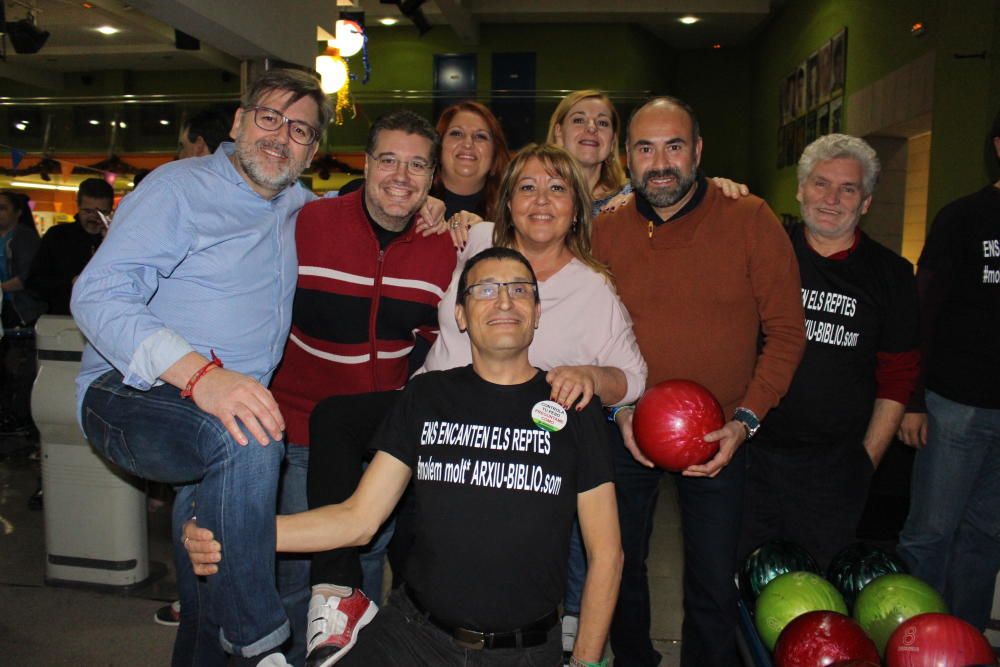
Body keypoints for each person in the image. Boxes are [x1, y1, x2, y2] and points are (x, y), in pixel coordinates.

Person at [185, 246, 624, 667]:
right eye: (485, 290)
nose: (504, 300)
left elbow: (606, 553)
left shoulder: (573, 407)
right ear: (461, 316)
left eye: (519, 288)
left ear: (537, 311)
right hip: (413, 637)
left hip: (526, 651)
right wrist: (237, 534)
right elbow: (359, 519)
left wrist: (587, 661)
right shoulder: (427, 396)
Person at [71, 68, 332, 667]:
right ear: (239, 123)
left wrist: (439, 211)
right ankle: (260, 641)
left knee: (206, 591)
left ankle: (222, 635)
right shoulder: (177, 188)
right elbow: (97, 295)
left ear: (313, 151)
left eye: (299, 129)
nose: (280, 136)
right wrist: (200, 376)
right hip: (127, 394)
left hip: (214, 424)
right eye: (268, 117)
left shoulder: (299, 205)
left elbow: (371, 215)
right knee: (249, 434)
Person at [592, 96, 806, 667]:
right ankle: (635, 659)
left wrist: (745, 422)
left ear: (699, 151)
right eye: (645, 148)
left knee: (713, 578)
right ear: (626, 157)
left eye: (674, 145)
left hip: (722, 431)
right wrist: (618, 412)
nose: (660, 162)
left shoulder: (749, 219)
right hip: (626, 424)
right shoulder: (605, 231)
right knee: (618, 564)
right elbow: (586, 334)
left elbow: (787, 333)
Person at [421, 142, 646, 662]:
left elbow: (632, 377)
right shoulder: (477, 239)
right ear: (507, 203)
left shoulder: (593, 289)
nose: (541, 200)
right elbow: (409, 205)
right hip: (436, 431)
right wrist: (434, 207)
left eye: (557, 188)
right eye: (527, 187)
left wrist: (591, 375)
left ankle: (574, 643)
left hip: (522, 462)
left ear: (576, 207)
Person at [265, 110, 456, 667]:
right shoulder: (307, 223)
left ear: (433, 178)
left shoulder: (444, 247)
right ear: (367, 164)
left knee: (364, 576)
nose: (402, 175)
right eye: (389, 159)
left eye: (418, 164)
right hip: (303, 430)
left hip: (385, 441)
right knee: (303, 581)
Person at [739, 134, 919, 569]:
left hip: (835, 471)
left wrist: (864, 462)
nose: (832, 199)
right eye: (821, 184)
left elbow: (898, 376)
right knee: (738, 581)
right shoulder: (762, 253)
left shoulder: (891, 275)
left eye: (848, 189)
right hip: (752, 455)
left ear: (867, 202)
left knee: (816, 595)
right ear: (801, 190)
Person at [896, 109, 1000, 632]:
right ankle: (911, 636)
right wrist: (913, 400)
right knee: (931, 533)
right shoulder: (963, 219)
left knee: (986, 538)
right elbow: (925, 311)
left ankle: (965, 642)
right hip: (954, 405)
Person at [546, 90, 750, 218]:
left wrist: (717, 189)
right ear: (558, 132)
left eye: (602, 123)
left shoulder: (639, 195)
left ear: (613, 141)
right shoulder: (534, 196)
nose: (591, 128)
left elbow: (682, 189)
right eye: (579, 120)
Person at [26, 178, 112, 316]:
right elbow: (34, 284)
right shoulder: (57, 236)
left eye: (101, 212)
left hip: (107, 317)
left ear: (111, 211)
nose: (94, 218)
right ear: (77, 206)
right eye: (88, 211)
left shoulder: (117, 240)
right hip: (64, 318)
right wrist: (69, 283)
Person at [434, 100, 511, 224]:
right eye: (457, 133)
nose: (468, 143)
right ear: (438, 146)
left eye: (480, 136)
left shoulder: (512, 212)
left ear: (495, 153)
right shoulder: (413, 205)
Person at [0, 190, 43, 328]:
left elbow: (27, 277)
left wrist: (1, 288)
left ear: (18, 212)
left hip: (19, 308)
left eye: (3, 208)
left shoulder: (25, 238)